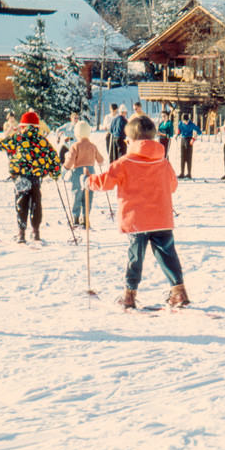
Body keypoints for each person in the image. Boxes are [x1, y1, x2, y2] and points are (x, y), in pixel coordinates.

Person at [87, 113, 190, 310]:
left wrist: (89, 181)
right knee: (168, 254)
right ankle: (179, 291)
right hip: (161, 218)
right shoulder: (163, 162)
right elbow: (173, 185)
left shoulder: (124, 163)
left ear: (130, 140)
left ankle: (129, 295)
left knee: (136, 257)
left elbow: (106, 182)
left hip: (136, 220)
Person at [0, 110, 62, 241]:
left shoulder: (18, 138)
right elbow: (53, 157)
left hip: (20, 176)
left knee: (21, 203)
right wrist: (55, 173)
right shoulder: (42, 141)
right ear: (37, 127)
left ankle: (21, 233)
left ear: (23, 126)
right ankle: (36, 231)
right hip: (36, 177)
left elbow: (0, 145)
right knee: (36, 203)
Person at [63, 119, 104, 227]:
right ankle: (86, 218)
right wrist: (99, 162)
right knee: (89, 195)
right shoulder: (92, 146)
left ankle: (75, 217)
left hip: (77, 172)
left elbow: (69, 161)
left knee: (76, 194)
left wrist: (65, 168)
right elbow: (100, 159)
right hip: (91, 172)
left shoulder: (75, 146)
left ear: (77, 132)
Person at [176, 112, 201, 178]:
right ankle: (182, 173)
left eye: (187, 121)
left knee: (188, 157)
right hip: (183, 139)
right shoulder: (180, 123)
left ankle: (189, 173)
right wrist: (177, 134)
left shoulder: (191, 124)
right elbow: (179, 130)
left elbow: (199, 132)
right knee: (182, 157)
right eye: (185, 121)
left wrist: (193, 139)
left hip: (189, 140)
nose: (186, 122)